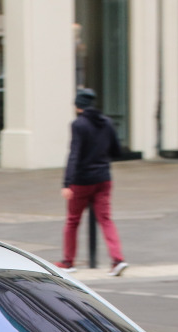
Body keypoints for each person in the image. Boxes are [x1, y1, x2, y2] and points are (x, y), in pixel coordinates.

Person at [59, 88, 127, 276]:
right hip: (104, 178)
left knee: (73, 221)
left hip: (82, 180)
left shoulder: (78, 124)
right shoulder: (107, 122)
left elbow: (74, 154)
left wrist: (67, 182)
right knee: (105, 219)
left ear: (77, 105)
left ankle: (68, 261)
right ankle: (117, 259)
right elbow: (117, 151)